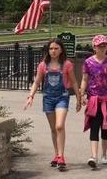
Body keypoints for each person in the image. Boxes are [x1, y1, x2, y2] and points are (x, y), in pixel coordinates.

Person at [24, 39, 81, 171]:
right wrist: (30, 96)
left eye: (56, 48)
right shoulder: (43, 65)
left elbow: (74, 82)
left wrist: (79, 98)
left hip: (62, 97)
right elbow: (37, 82)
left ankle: (61, 156)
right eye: (51, 49)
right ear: (48, 50)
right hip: (48, 98)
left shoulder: (67, 64)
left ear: (61, 50)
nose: (53, 51)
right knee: (53, 129)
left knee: (59, 126)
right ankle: (56, 155)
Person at [80, 35, 107, 168]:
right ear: (94, 47)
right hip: (94, 98)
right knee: (95, 126)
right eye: (100, 46)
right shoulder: (88, 62)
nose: (103, 48)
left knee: (105, 127)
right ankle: (94, 156)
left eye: (105, 45)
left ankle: (104, 154)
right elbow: (85, 79)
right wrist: (81, 94)